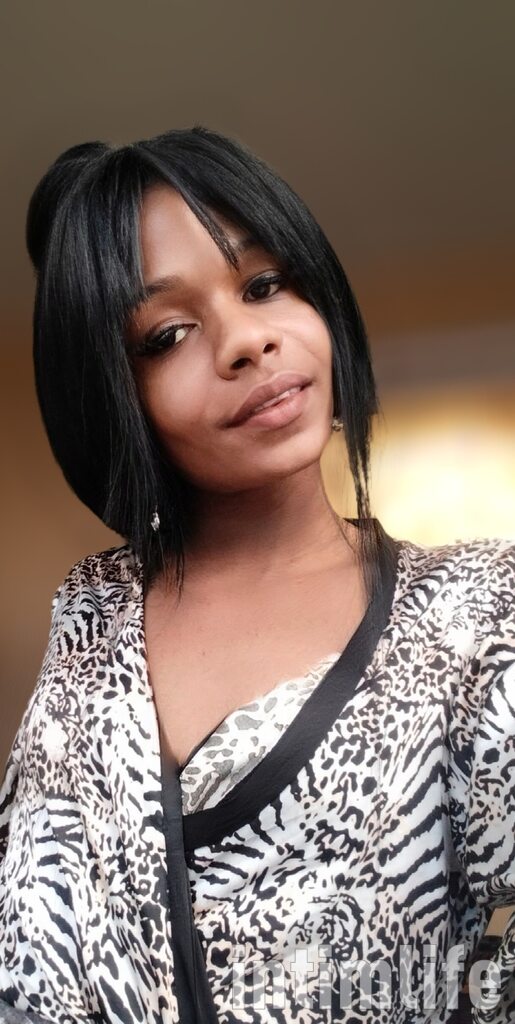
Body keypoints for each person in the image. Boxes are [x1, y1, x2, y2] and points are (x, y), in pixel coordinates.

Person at [0, 126, 513, 1024]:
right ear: (114, 396)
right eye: (168, 334)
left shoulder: (476, 613)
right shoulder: (91, 623)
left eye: (266, 285)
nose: (246, 342)